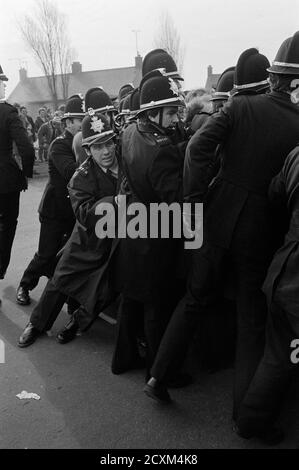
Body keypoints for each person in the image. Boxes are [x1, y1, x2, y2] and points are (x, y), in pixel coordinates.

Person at [144, 38, 299, 437]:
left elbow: (197, 147)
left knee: (195, 298)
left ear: (276, 78)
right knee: (250, 321)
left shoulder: (241, 106)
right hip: (259, 232)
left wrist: (194, 201)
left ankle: (158, 377)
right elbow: (284, 188)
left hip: (214, 216)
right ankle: (242, 415)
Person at [235, 34, 299, 444]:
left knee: (279, 354)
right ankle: (254, 420)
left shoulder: (296, 156)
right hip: (296, 286)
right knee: (283, 356)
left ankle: (252, 419)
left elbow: (276, 191)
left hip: (282, 271)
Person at [17, 113, 119, 347]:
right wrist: (114, 203)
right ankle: (37, 323)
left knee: (106, 288)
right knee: (60, 279)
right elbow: (84, 213)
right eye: (98, 146)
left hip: (120, 239)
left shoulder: (127, 164)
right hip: (87, 238)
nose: (106, 151)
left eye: (109, 143)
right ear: (88, 150)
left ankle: (78, 321)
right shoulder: (80, 178)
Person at [111, 68, 187, 377]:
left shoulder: (131, 131)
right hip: (155, 234)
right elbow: (177, 201)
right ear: (153, 112)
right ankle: (161, 372)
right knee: (158, 305)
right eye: (170, 112)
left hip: (133, 225)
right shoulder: (161, 150)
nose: (175, 119)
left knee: (133, 299)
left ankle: (124, 358)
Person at [16, 94, 85, 306]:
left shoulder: (86, 143)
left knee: (67, 257)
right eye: (79, 120)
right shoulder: (59, 145)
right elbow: (70, 171)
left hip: (73, 210)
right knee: (46, 254)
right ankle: (25, 285)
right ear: (68, 122)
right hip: (54, 210)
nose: (84, 124)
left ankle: (68, 298)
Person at [0, 64, 35, 294]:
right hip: (6, 180)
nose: (4, 85)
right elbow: (26, 148)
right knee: (7, 227)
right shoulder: (8, 112)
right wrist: (26, 173)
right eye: (1, 82)